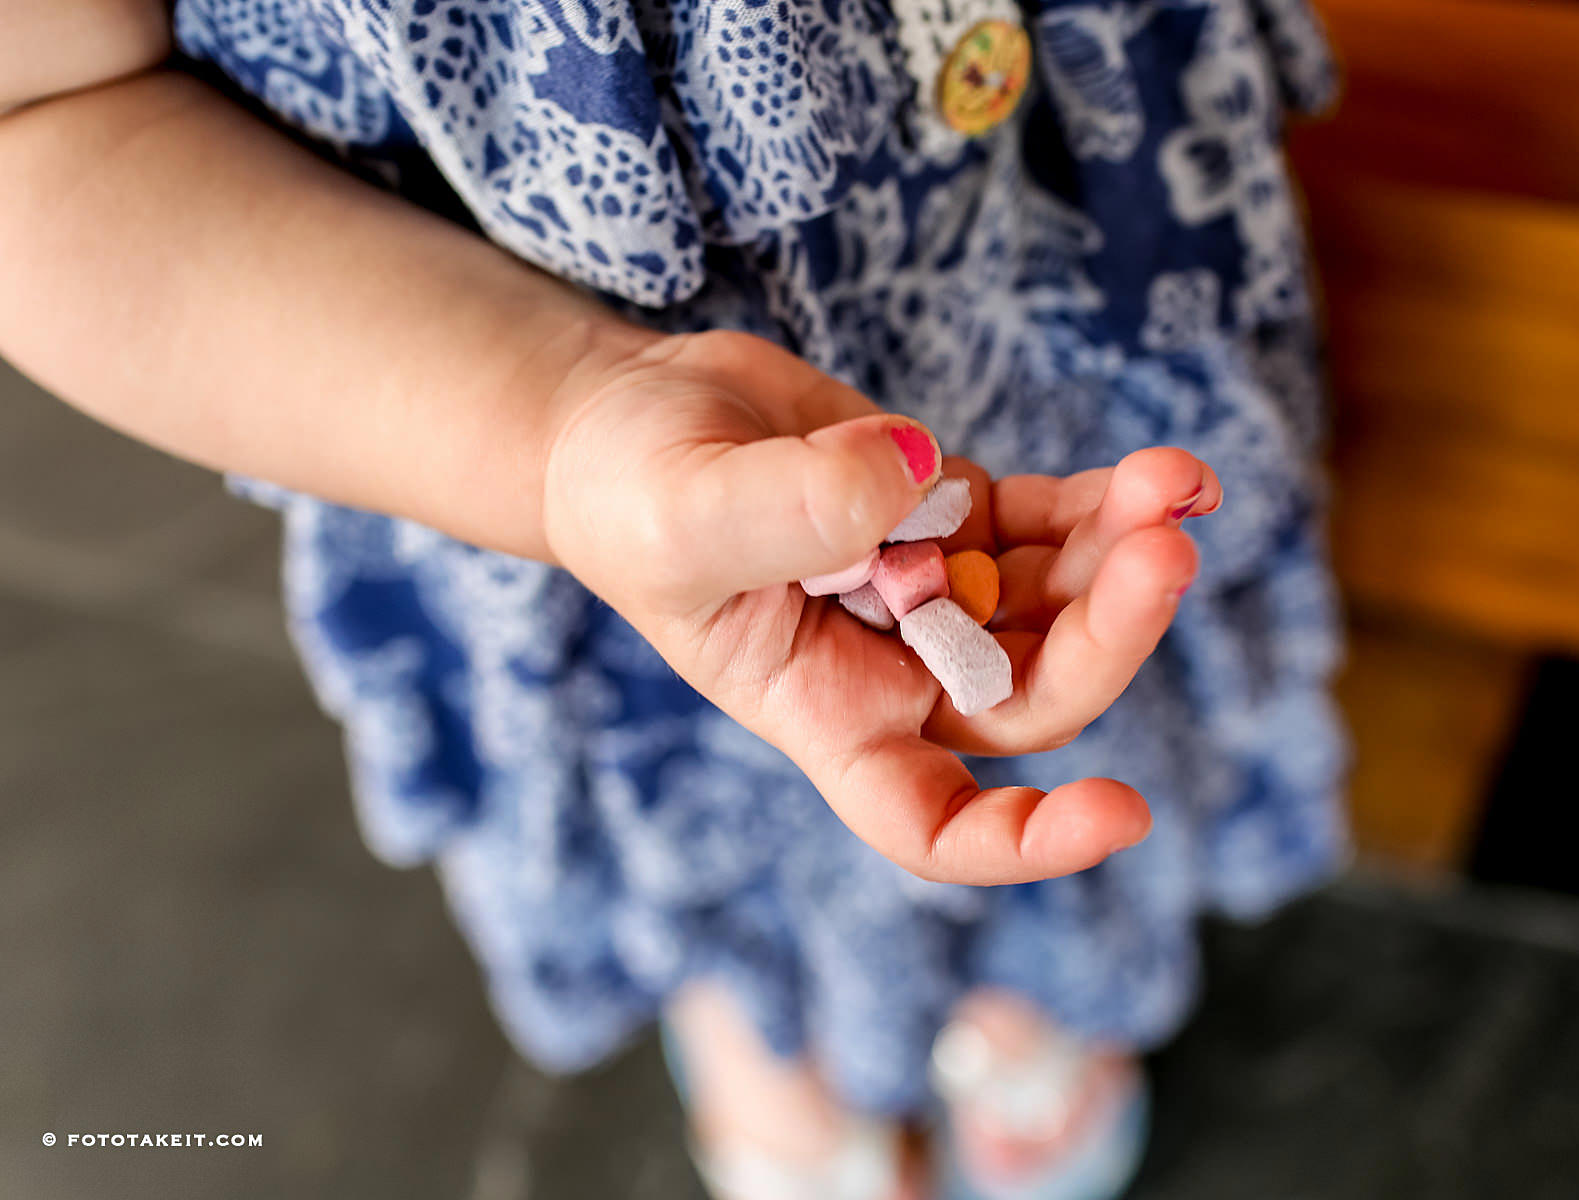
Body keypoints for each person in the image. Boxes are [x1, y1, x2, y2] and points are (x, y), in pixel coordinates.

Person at [0, 1, 1348, 1195]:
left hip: (1044, 266)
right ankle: (759, 1019)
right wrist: (559, 421)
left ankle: (1020, 983)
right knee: (705, 806)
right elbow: (41, 114)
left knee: (1047, 713)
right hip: (487, 407)